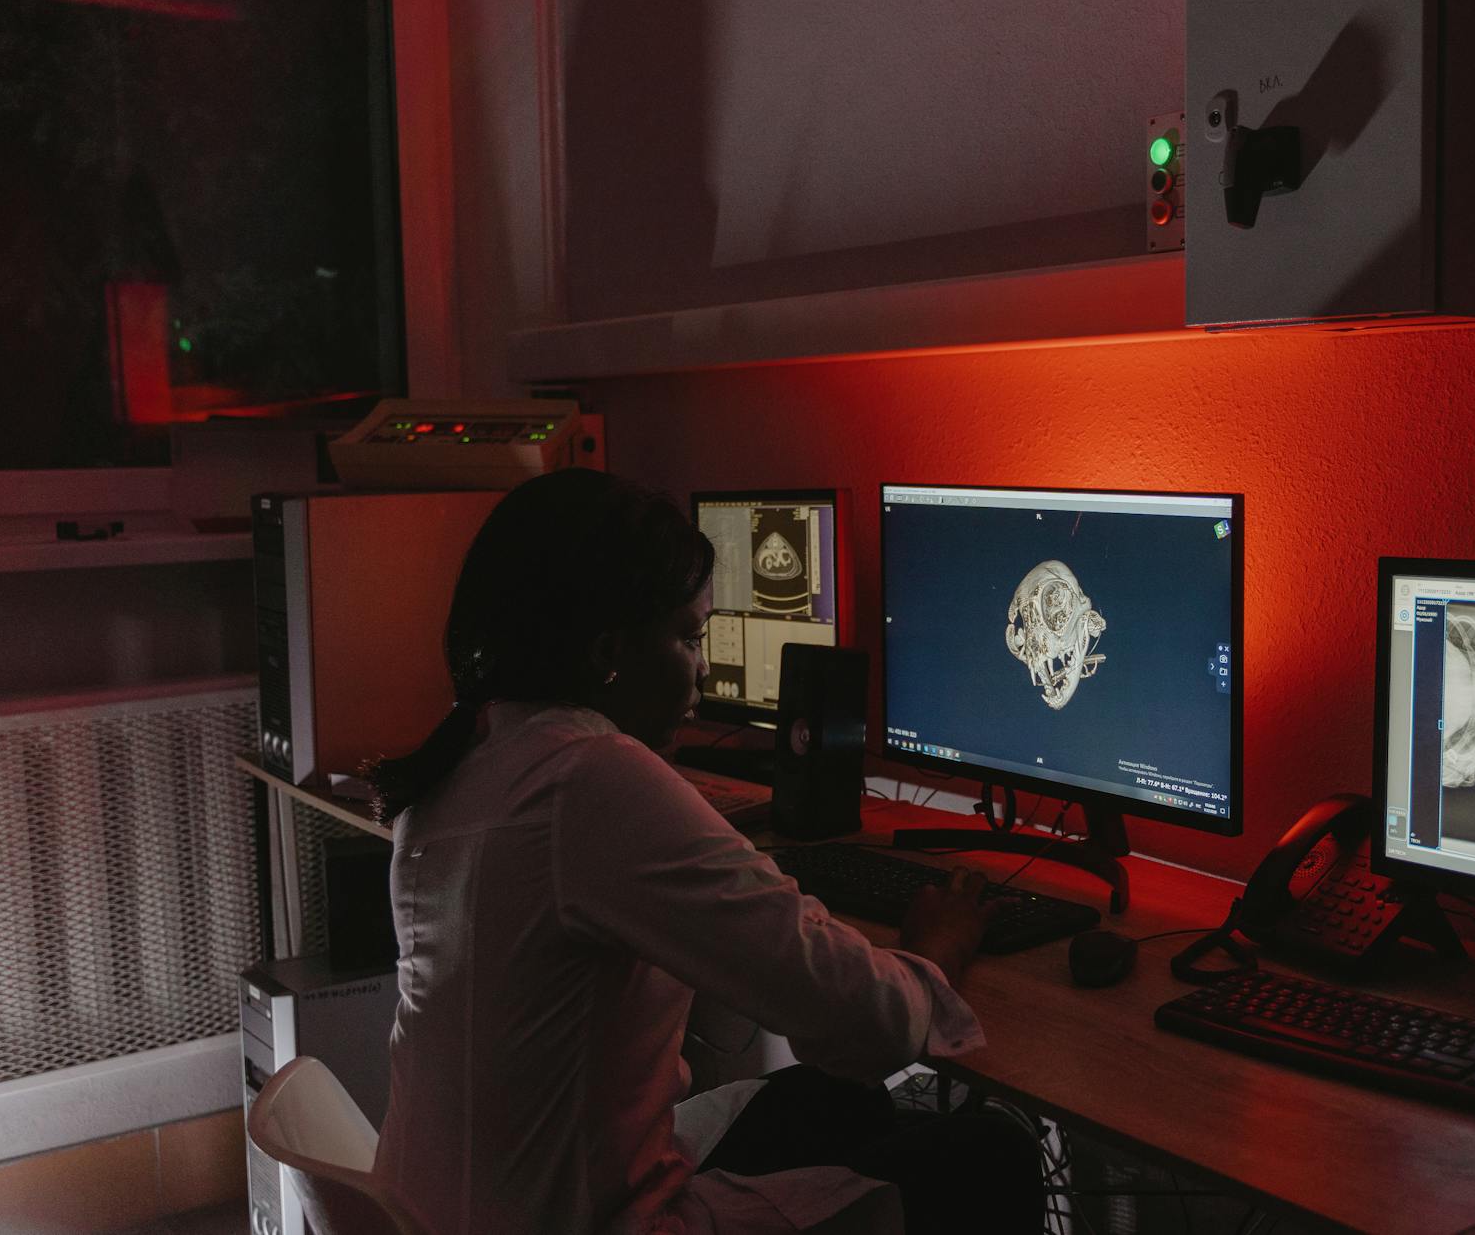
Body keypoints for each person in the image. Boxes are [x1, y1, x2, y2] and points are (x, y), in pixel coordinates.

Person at [365, 469, 1042, 1234]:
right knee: (990, 1153)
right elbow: (858, 1011)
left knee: (827, 1096)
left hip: (459, 1208)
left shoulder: (474, 754)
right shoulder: (592, 778)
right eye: (690, 637)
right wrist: (935, 950)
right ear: (607, 652)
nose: (706, 668)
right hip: (576, 1217)